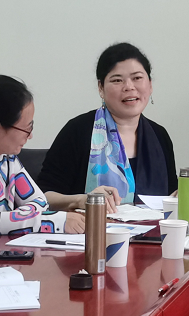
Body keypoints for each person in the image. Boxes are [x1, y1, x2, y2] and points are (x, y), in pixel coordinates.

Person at [0, 75, 109, 237]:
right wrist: (52, 221)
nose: (30, 136)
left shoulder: (7, 159)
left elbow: (40, 202)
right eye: (27, 128)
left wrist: (5, 219)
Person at [38, 42, 177, 206]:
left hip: (153, 224)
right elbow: (42, 197)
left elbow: (170, 194)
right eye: (117, 80)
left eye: (137, 78)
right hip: (90, 223)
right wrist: (81, 200)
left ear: (150, 84)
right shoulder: (78, 131)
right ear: (101, 88)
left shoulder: (159, 136)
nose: (129, 87)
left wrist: (181, 198)